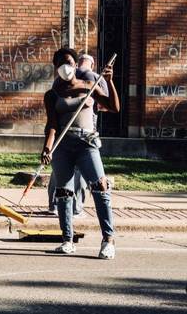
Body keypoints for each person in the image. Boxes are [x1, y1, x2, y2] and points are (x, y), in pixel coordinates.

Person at [41, 47, 119, 259]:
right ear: (56, 68)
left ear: (76, 65)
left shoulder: (90, 85)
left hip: (87, 143)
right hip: (63, 145)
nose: (64, 67)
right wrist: (47, 148)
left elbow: (113, 107)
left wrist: (109, 82)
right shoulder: (52, 94)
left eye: (68, 62)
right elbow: (52, 125)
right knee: (64, 192)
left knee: (100, 187)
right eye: (59, 64)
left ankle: (108, 240)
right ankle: (67, 239)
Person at [47, 54, 107, 216]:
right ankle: (76, 208)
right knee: (80, 173)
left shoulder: (60, 79)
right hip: (83, 132)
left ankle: (53, 204)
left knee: (59, 173)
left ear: (77, 63)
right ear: (92, 64)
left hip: (62, 134)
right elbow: (104, 106)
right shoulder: (92, 78)